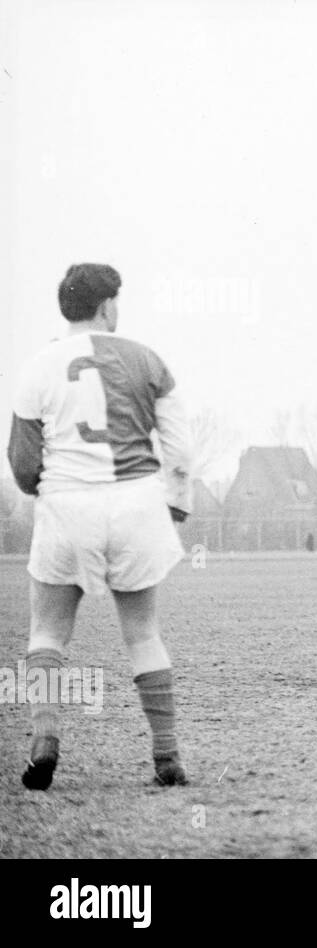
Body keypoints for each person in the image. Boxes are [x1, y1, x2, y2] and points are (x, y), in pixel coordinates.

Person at [7, 263, 191, 790]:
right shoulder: (147, 356)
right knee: (143, 634)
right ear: (108, 305)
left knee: (47, 632)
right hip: (135, 503)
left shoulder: (38, 364)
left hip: (67, 507)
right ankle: (166, 755)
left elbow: (23, 464)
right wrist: (174, 504)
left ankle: (45, 739)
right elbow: (179, 448)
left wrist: (54, 490)